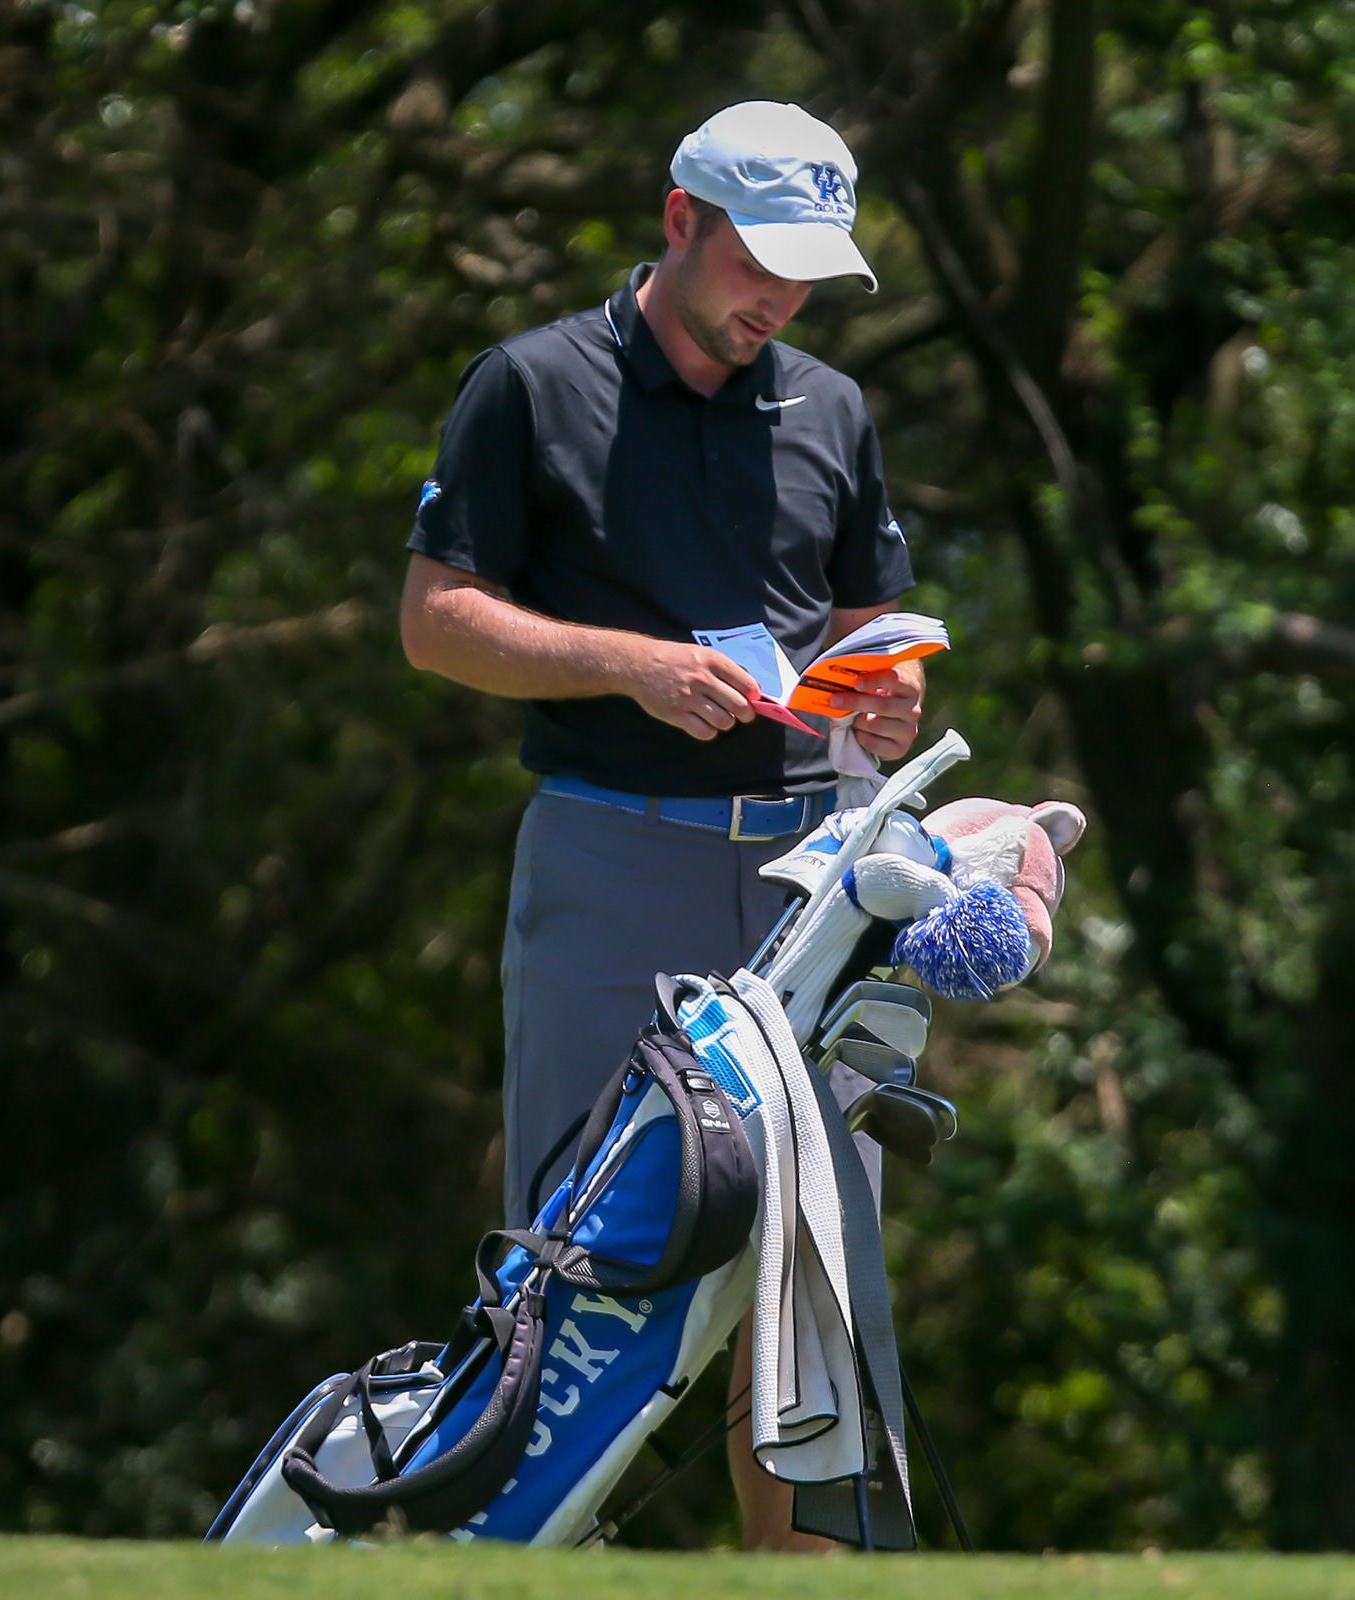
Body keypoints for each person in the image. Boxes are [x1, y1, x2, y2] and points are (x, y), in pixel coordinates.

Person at [398, 100, 924, 1550]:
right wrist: (625, 666)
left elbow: (876, 622)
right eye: (762, 259)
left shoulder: (829, 406)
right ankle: (521, 1559)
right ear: (681, 219)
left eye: (811, 272)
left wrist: (890, 699)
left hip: (816, 872)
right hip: (612, 850)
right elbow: (436, 624)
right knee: (577, 1261)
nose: (782, 300)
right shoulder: (529, 386)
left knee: (813, 1270)